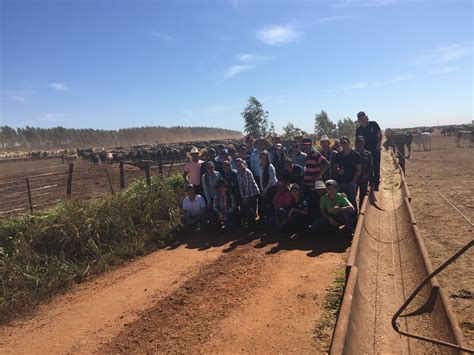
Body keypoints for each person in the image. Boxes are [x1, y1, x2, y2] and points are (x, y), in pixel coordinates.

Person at [332, 136, 361, 215]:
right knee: (340, 202)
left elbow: (358, 169)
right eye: (342, 143)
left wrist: (354, 181)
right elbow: (335, 166)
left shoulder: (356, 155)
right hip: (340, 182)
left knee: (352, 201)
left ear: (349, 143)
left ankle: (355, 219)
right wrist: (338, 171)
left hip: (351, 183)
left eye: (345, 143)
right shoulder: (338, 155)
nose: (344, 144)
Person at [356, 111, 382, 191]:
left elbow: (380, 134)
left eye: (363, 118)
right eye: (360, 119)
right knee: (368, 167)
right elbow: (357, 142)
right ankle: (371, 182)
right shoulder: (358, 130)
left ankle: (376, 183)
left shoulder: (373, 124)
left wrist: (379, 144)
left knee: (376, 166)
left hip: (375, 149)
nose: (362, 120)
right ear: (359, 120)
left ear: (366, 117)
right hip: (365, 152)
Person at [235, 158, 260, 228]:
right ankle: (248, 221)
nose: (239, 166)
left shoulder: (247, 172)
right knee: (243, 205)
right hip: (246, 194)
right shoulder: (238, 173)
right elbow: (240, 186)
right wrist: (243, 197)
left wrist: (245, 198)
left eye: (240, 164)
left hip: (253, 193)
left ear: (243, 164)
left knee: (247, 205)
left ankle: (252, 223)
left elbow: (248, 186)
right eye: (237, 165)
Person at [355, 135, 374, 208]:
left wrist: (370, 178)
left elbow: (371, 167)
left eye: (361, 142)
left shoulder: (368, 154)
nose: (359, 144)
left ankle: (361, 214)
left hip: (364, 179)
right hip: (354, 179)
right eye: (358, 142)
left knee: (362, 197)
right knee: (353, 197)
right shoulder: (352, 153)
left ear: (364, 143)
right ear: (355, 143)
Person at [259, 150, 278, 223]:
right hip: (264, 188)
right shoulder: (260, 166)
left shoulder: (270, 167)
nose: (263, 159)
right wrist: (262, 189)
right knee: (263, 204)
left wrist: (265, 190)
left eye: (265, 157)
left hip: (272, 187)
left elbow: (271, 180)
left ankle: (272, 219)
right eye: (262, 157)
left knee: (270, 204)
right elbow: (261, 178)